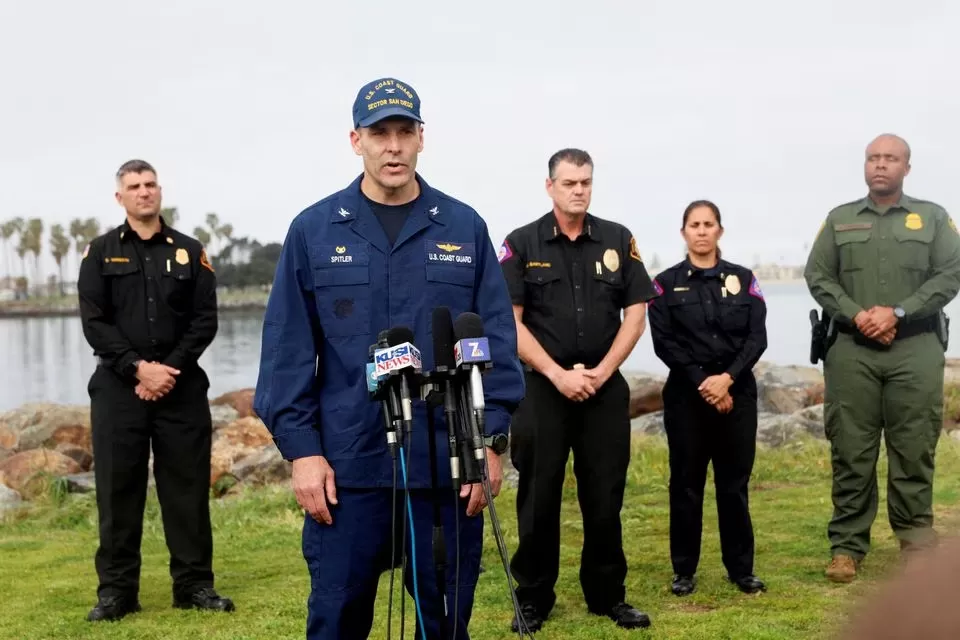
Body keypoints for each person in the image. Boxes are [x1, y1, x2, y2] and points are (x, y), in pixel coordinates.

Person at [252, 77, 525, 640]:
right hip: (347, 471)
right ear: (356, 140)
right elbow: (288, 355)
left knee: (444, 622)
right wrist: (302, 454)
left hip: (446, 465)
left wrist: (490, 444)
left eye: (405, 131)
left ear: (423, 138)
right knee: (336, 619)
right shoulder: (314, 230)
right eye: (380, 133)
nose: (393, 146)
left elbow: (496, 339)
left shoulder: (463, 226)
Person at [498, 148, 655, 632]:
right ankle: (534, 598)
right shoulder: (521, 243)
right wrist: (557, 373)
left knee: (605, 496)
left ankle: (608, 595)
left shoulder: (618, 238)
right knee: (539, 496)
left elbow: (636, 312)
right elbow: (512, 322)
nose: (579, 190)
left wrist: (604, 371)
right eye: (569, 183)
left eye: (586, 182)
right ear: (550, 186)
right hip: (543, 389)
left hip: (603, 388)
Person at [77, 159, 233, 622]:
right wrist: (138, 369)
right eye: (134, 186)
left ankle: (194, 586)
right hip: (118, 390)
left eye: (150, 184)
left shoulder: (190, 251)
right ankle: (117, 593)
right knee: (117, 491)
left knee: (185, 491)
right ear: (120, 197)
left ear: (159, 191)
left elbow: (205, 319)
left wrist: (167, 370)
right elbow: (94, 321)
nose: (144, 192)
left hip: (180, 389)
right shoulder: (101, 252)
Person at [804, 133, 960, 583]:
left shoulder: (932, 218)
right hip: (853, 349)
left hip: (915, 346)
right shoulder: (840, 219)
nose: (880, 165)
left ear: (906, 168)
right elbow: (818, 275)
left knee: (913, 446)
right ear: (865, 165)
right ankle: (847, 548)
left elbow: (950, 274)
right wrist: (857, 315)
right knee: (852, 449)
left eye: (890, 158)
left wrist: (898, 312)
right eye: (873, 158)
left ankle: (916, 543)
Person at [646, 200, 768, 597]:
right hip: (687, 398)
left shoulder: (744, 278)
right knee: (685, 485)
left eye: (708, 224)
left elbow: (756, 338)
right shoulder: (663, 284)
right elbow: (665, 344)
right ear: (683, 232)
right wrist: (705, 383)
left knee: (733, 485)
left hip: (737, 396)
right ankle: (684, 570)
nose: (701, 231)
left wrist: (727, 380)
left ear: (720, 230)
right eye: (694, 224)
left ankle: (741, 570)